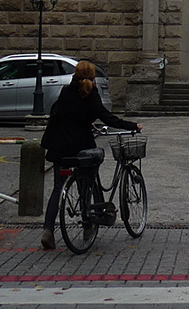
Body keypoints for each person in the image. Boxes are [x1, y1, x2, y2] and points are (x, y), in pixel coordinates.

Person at [40, 60, 141, 250]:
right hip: (81, 147)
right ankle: (88, 227)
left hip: (59, 147)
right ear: (93, 77)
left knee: (57, 188)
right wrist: (132, 125)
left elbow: (64, 114)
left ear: (75, 75)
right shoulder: (90, 93)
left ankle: (48, 230)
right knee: (85, 185)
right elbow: (106, 116)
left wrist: (84, 121)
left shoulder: (65, 91)